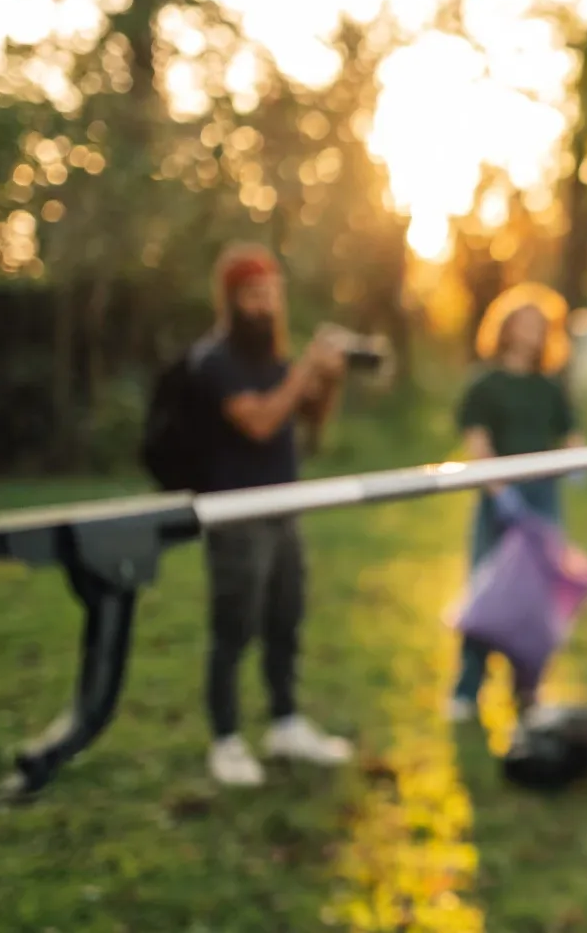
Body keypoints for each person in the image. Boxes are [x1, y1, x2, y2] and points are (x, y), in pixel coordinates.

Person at [194, 243, 356, 787]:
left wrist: (326, 379)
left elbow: (308, 424)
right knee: (234, 627)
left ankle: (285, 723)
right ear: (233, 300)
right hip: (235, 513)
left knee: (285, 619)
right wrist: (305, 367)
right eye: (253, 295)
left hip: (285, 507)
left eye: (271, 293)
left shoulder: (274, 362)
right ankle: (226, 739)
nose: (264, 305)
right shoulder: (215, 361)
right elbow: (260, 422)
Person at [449, 282, 584, 724]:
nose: (532, 333)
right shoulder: (484, 384)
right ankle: (467, 691)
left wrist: (578, 461)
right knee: (490, 595)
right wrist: (501, 491)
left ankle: (527, 694)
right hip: (500, 499)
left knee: (535, 601)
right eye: (524, 323)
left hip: (542, 499)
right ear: (505, 329)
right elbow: (478, 443)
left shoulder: (550, 387)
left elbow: (571, 436)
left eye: (541, 326)